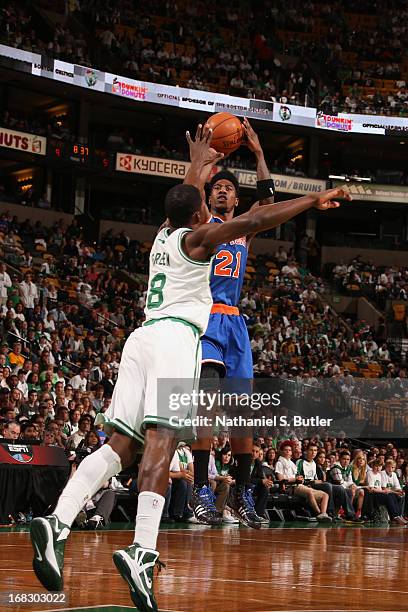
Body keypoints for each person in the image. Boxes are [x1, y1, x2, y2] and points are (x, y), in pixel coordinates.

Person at [30, 124, 350, 611]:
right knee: (160, 444)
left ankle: (58, 521)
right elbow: (257, 220)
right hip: (178, 336)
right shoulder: (201, 238)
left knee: (121, 446)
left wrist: (197, 161)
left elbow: (182, 196)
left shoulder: (163, 234)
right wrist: (312, 201)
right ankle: (142, 551)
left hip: (139, 338)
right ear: (200, 211)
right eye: (203, 199)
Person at [191, 118, 277, 528]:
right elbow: (193, 189)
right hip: (206, 317)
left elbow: (270, 200)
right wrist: (208, 161)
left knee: (243, 416)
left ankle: (243, 494)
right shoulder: (205, 225)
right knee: (207, 402)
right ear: (210, 200)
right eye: (217, 189)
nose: (222, 190)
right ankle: (200, 489)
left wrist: (258, 153)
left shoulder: (243, 231)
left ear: (237, 200)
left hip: (235, 323)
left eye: (228, 188)